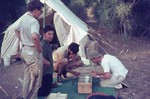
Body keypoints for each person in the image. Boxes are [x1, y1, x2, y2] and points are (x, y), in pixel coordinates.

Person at [15, 0, 44, 98]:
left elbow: (16, 30)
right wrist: (39, 48)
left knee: (27, 77)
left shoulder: (23, 18)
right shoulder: (34, 21)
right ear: (36, 10)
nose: (41, 13)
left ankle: (25, 97)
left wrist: (23, 41)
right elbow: (35, 37)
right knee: (36, 80)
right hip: (33, 52)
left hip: (25, 50)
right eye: (41, 11)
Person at [38, 25, 56, 97]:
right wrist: (47, 62)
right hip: (45, 73)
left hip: (48, 72)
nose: (51, 36)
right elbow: (39, 57)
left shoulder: (47, 43)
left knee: (47, 91)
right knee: (44, 93)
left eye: (52, 34)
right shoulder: (43, 44)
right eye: (49, 34)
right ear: (44, 34)